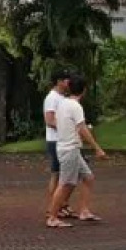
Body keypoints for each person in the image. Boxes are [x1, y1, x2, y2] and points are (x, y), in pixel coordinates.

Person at [45, 75, 107, 228]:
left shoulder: (63, 104)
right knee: (66, 183)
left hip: (69, 147)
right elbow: (82, 128)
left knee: (88, 177)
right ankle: (52, 216)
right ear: (84, 90)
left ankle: (84, 211)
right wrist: (97, 148)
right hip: (69, 149)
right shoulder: (75, 106)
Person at [41, 70, 75, 220]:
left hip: (64, 140)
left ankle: (62, 204)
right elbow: (49, 120)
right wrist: (66, 126)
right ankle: (53, 207)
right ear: (59, 81)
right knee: (57, 174)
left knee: (65, 175)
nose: (69, 83)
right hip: (55, 140)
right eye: (66, 80)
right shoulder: (52, 98)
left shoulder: (62, 98)